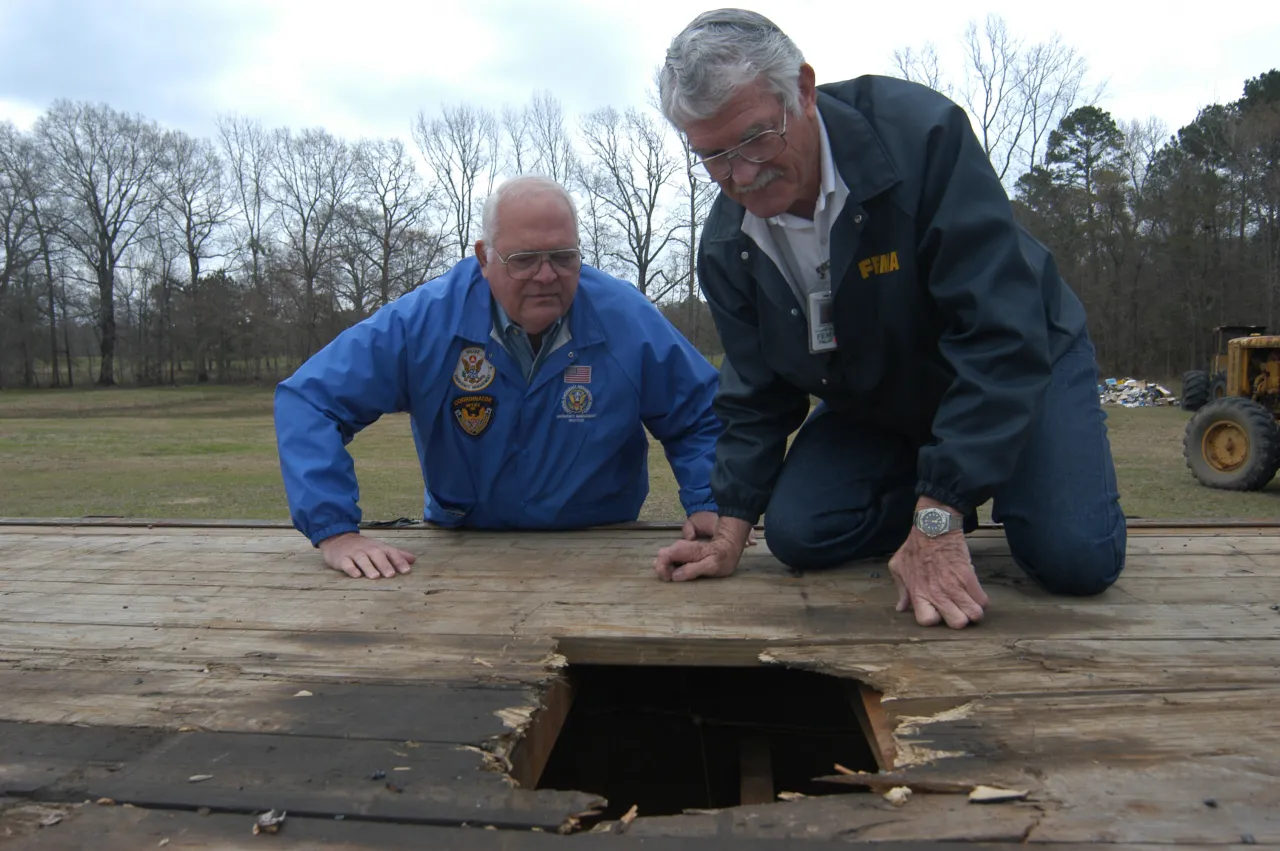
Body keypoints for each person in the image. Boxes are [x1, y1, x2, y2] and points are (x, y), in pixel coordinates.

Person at [651, 9, 1126, 629]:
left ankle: (995, 481)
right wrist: (732, 523)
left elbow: (998, 335)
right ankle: (949, 484)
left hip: (1022, 360)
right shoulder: (726, 245)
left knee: (1073, 559)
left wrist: (937, 515)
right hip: (880, 397)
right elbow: (756, 387)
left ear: (803, 90)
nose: (740, 175)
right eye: (713, 156)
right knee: (799, 534)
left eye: (756, 139)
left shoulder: (923, 138)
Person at [274, 175, 723, 579]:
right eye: (525, 259)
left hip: (603, 542)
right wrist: (335, 531)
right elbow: (311, 401)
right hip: (462, 547)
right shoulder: (425, 322)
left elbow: (699, 410)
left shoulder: (625, 318)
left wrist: (708, 499)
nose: (547, 276)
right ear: (485, 256)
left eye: (564, 257)